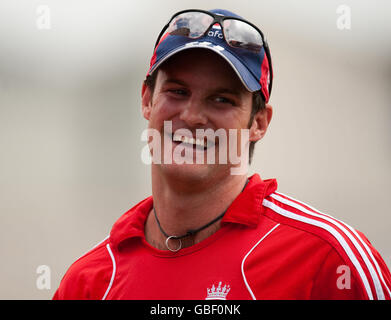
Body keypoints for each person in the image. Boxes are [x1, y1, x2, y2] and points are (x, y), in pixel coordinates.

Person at [53, 8, 391, 300]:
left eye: (222, 100)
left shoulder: (331, 258)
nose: (192, 116)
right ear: (146, 99)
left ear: (259, 122)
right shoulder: (89, 281)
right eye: (178, 91)